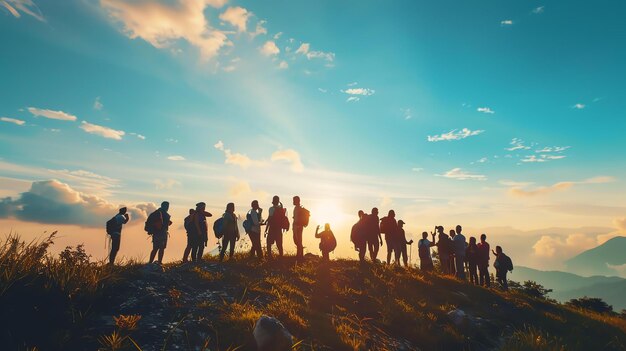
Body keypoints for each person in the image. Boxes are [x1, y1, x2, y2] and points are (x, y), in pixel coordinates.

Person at [292, 196, 306, 261]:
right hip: (297, 227)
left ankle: (299, 255)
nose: (293, 201)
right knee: (297, 241)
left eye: (294, 200)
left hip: (298, 227)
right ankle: (300, 255)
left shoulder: (298, 209)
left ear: (297, 201)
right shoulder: (297, 208)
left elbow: (297, 219)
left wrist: (297, 225)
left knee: (298, 241)